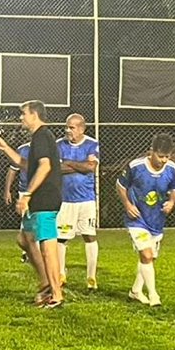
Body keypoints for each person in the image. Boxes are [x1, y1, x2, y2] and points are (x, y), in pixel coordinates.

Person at [0, 101, 64, 308]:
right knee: (24, 239)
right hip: (37, 200)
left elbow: (44, 167)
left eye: (23, 113)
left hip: (45, 198)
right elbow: (26, 165)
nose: (21, 117)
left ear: (34, 114)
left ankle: (56, 295)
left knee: (48, 248)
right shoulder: (37, 138)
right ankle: (46, 283)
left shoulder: (42, 135)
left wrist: (27, 194)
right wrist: (5, 148)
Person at [117, 133, 175, 307]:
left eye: (167, 157)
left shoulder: (171, 168)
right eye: (160, 156)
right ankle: (154, 296)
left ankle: (135, 291)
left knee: (149, 257)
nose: (164, 160)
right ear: (151, 152)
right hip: (136, 219)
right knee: (146, 254)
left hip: (156, 219)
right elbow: (120, 185)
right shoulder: (135, 166)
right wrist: (128, 205)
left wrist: (171, 202)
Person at [57, 113, 101, 290]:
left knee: (89, 235)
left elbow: (90, 167)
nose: (67, 130)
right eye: (66, 127)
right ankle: (61, 273)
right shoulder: (59, 145)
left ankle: (91, 277)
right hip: (65, 200)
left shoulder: (92, 144)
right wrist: (80, 165)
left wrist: (68, 162)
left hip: (86, 199)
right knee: (61, 238)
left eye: (72, 127)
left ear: (81, 129)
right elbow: (56, 169)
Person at [2, 136, 32, 265]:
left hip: (43, 191)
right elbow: (12, 171)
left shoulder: (49, 148)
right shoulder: (23, 149)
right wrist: (7, 190)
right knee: (27, 221)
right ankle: (26, 252)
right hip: (25, 191)